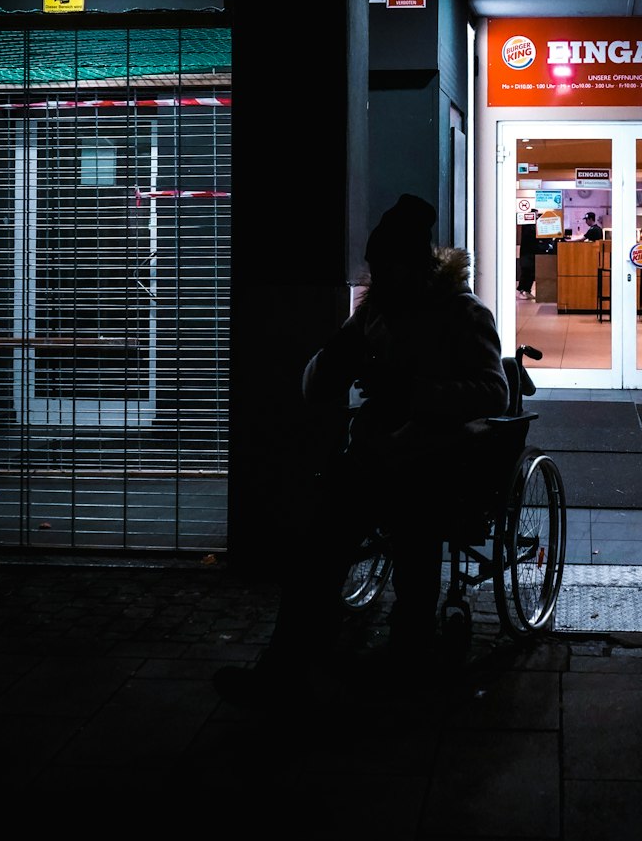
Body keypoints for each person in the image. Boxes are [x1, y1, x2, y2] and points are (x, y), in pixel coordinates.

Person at [213, 193, 509, 708]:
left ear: (413, 267)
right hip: (374, 458)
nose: (379, 280)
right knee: (316, 552)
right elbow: (325, 372)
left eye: (387, 269)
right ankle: (287, 665)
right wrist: (329, 363)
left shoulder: (463, 315)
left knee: (415, 544)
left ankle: (406, 660)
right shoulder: (374, 313)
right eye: (375, 270)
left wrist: (414, 391)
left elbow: (493, 391)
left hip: (434, 462)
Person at [516, 215, 538, 298]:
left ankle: (527, 290)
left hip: (530, 253)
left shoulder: (529, 227)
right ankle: (520, 290)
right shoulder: (529, 228)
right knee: (526, 273)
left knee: (530, 273)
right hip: (527, 254)